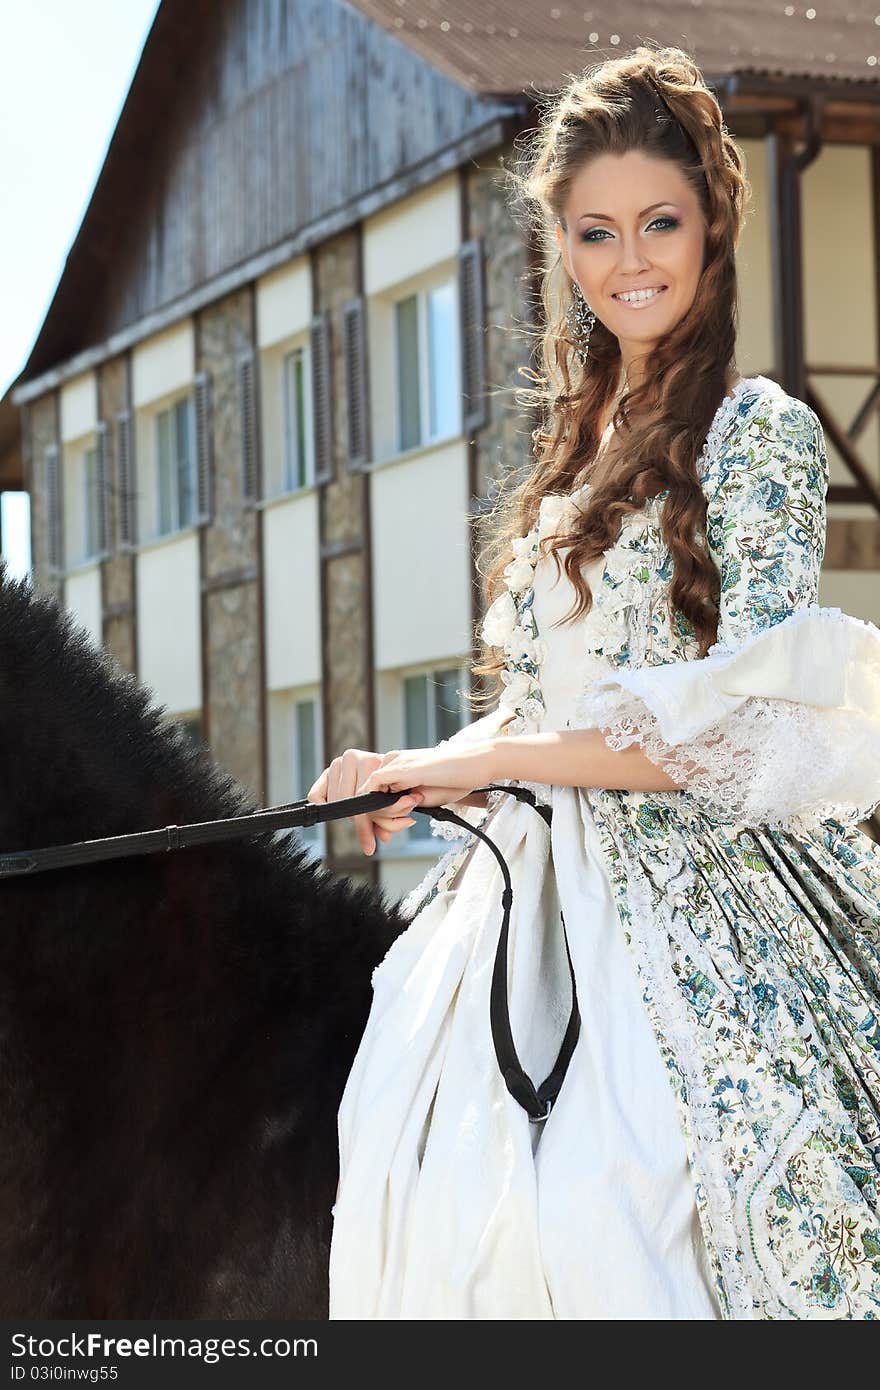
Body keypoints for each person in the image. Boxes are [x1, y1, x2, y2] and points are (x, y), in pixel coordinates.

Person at [309, 45, 880, 1319]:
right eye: (596, 230)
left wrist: (480, 762)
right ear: (560, 246)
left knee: (617, 1198)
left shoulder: (760, 435)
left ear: (711, 224)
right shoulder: (573, 455)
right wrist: (406, 763)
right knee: (414, 1160)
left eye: (659, 223)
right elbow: (545, 706)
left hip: (704, 883)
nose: (631, 261)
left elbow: (728, 727)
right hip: (527, 884)